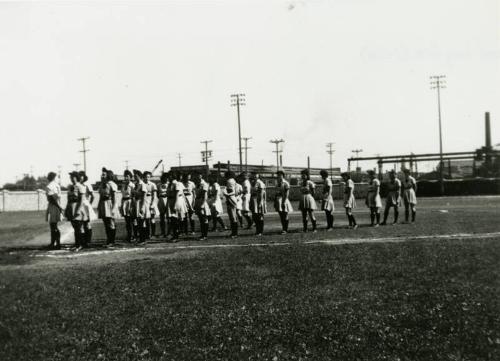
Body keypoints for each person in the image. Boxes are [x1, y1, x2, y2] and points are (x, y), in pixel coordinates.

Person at [64, 171, 86, 250]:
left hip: (77, 207)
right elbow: (68, 199)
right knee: (75, 227)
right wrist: (67, 209)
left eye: (72, 177)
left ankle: (80, 245)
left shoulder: (80, 186)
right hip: (71, 208)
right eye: (70, 177)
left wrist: (78, 210)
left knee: (78, 227)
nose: (71, 179)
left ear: (76, 178)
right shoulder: (70, 187)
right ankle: (77, 244)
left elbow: (82, 200)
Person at [97, 168, 118, 246]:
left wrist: (113, 208)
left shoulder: (112, 184)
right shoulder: (101, 185)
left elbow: (114, 198)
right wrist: (99, 206)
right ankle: (108, 240)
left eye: (104, 174)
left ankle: (112, 241)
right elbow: (100, 197)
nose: (102, 176)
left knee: (111, 222)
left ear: (108, 175)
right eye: (102, 174)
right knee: (106, 223)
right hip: (103, 204)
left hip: (109, 204)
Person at [167, 171, 188, 241]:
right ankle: (176, 234)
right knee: (173, 219)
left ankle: (176, 236)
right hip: (171, 201)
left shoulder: (177, 183)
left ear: (173, 176)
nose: (168, 177)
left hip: (176, 201)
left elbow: (177, 194)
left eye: (170, 176)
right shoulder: (170, 184)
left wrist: (175, 205)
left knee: (174, 219)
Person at [45, 172, 63, 249]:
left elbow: (52, 198)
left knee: (53, 226)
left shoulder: (49, 186)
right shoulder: (57, 185)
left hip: (54, 206)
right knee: (54, 225)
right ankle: (56, 243)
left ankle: (55, 243)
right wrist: (59, 206)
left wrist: (58, 207)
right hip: (57, 205)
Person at [79, 171, 96, 246]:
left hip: (85, 204)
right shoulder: (78, 185)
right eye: (79, 176)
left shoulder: (87, 184)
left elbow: (92, 196)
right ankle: (83, 241)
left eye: (81, 176)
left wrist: (89, 204)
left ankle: (88, 241)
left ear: (84, 177)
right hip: (80, 204)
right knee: (81, 223)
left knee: (87, 223)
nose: (80, 177)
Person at [193, 172, 211, 240]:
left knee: (204, 219)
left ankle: (205, 235)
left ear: (201, 176)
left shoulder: (204, 184)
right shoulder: (197, 185)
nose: (198, 177)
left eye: (199, 176)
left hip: (202, 201)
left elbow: (205, 195)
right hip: (198, 201)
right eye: (197, 176)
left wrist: (203, 204)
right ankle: (203, 234)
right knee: (201, 219)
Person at [132, 169, 148, 243]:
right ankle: (140, 238)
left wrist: (142, 207)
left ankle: (143, 239)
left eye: (136, 176)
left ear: (140, 176)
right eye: (134, 176)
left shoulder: (142, 184)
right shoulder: (135, 185)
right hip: (136, 203)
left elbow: (144, 196)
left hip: (141, 203)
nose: (134, 177)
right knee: (138, 221)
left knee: (142, 221)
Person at [223, 170, 239, 238]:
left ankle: (234, 233)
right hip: (233, 198)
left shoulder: (229, 181)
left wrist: (226, 194)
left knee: (232, 217)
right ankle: (234, 233)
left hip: (231, 199)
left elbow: (233, 191)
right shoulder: (233, 180)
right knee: (233, 217)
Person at [120, 170, 135, 242]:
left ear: (130, 177)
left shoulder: (132, 185)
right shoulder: (123, 185)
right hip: (124, 202)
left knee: (131, 220)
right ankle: (129, 235)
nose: (126, 178)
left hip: (130, 202)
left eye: (127, 176)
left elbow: (133, 195)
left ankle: (133, 235)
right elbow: (122, 195)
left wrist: (133, 205)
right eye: (125, 176)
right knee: (127, 220)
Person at [143, 171, 158, 239]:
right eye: (145, 177)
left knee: (152, 218)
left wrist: (153, 204)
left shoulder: (152, 185)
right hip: (144, 203)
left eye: (148, 177)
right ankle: (147, 234)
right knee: (145, 219)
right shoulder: (142, 184)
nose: (147, 178)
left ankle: (153, 234)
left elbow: (154, 196)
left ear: (150, 177)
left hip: (151, 203)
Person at [157, 172, 170, 238]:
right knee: (162, 217)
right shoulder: (158, 184)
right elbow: (157, 193)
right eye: (163, 177)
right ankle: (163, 232)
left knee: (169, 217)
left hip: (167, 199)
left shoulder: (169, 184)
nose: (164, 179)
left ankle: (169, 232)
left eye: (166, 178)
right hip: (161, 199)